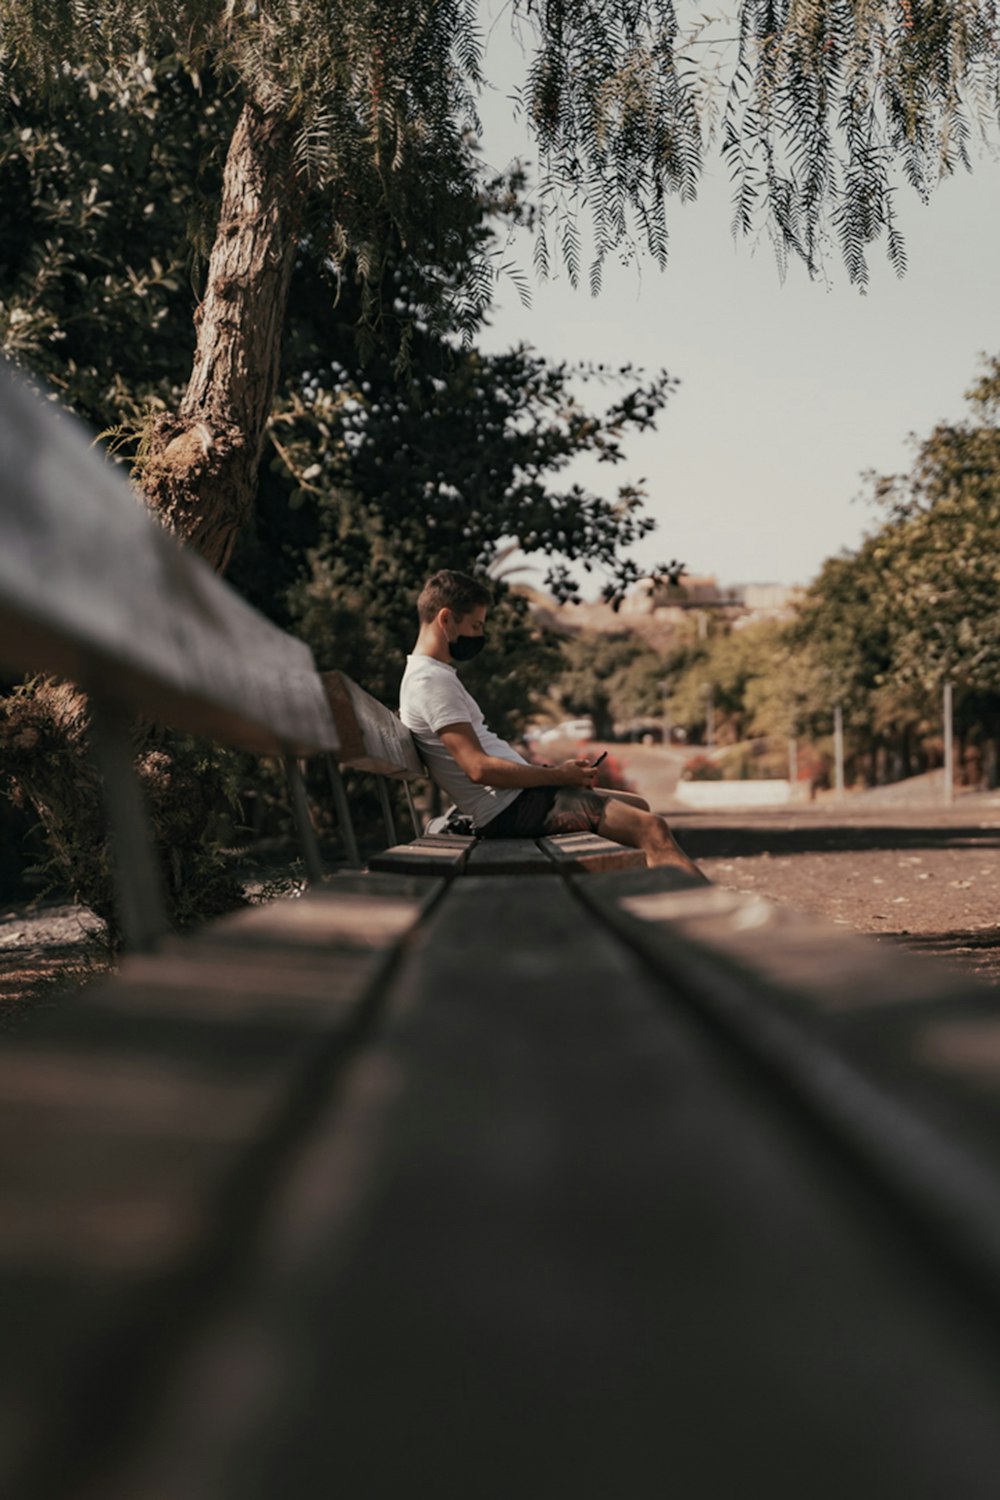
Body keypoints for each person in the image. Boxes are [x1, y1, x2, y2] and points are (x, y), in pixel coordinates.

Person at [399, 569, 704, 876]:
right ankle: (709, 915)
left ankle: (643, 902)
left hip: (516, 803)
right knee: (652, 829)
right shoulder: (430, 682)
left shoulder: (432, 676)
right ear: (446, 620)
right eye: (476, 625)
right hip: (509, 810)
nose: (479, 636)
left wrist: (557, 776)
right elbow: (478, 768)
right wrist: (558, 776)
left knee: (638, 807)